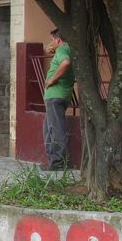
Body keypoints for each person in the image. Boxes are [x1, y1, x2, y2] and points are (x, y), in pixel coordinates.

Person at [42, 28, 76, 170]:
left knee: (55, 128)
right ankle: (53, 159)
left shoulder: (63, 49)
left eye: (52, 40)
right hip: (57, 95)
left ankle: (58, 162)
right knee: (48, 128)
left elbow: (66, 63)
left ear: (58, 39)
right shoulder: (65, 49)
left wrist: (51, 80)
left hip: (56, 94)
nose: (51, 43)